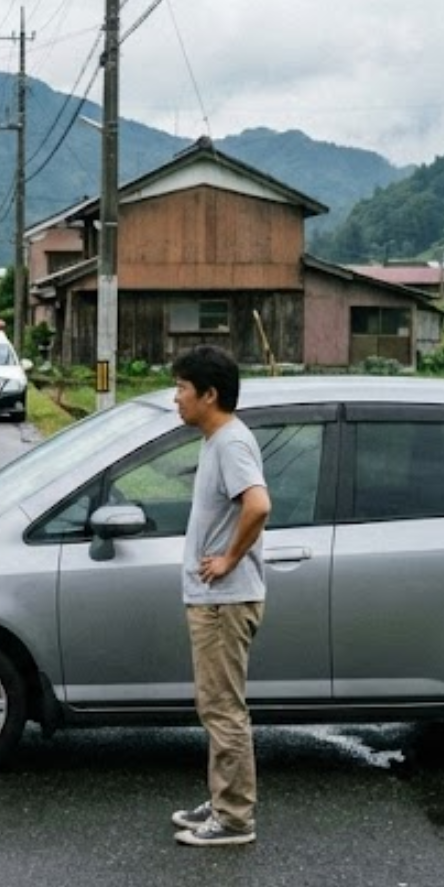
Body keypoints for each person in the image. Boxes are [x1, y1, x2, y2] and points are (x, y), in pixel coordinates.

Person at [167, 345, 271, 847]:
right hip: (216, 599)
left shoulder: (230, 442)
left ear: (210, 394)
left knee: (223, 707)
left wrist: (228, 558)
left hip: (224, 600)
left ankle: (233, 819)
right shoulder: (218, 439)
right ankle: (224, 796)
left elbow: (258, 505)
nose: (176, 398)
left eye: (183, 388)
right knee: (216, 705)